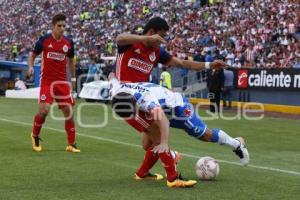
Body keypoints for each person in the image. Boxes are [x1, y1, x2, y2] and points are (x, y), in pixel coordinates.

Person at [114, 16, 227, 183]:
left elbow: (182, 63)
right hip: (126, 100)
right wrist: (146, 38)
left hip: (144, 98)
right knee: (158, 135)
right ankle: (173, 178)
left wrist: (210, 65)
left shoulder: (157, 52)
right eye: (160, 36)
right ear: (151, 33)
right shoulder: (130, 43)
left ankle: (142, 173)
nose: (162, 41)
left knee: (148, 143)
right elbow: (119, 38)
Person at [110, 78, 249, 186]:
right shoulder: (116, 90)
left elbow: (163, 120)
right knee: (147, 144)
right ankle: (149, 170)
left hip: (177, 108)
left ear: (135, 102)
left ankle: (236, 143)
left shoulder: (146, 100)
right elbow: (112, 77)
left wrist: (164, 143)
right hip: (159, 108)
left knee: (203, 135)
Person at [27, 14, 80, 153]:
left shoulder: (69, 43)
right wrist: (31, 67)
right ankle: (35, 135)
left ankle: (71, 144)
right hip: (47, 81)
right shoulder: (44, 40)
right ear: (53, 26)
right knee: (44, 110)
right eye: (59, 26)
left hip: (62, 82)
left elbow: (71, 61)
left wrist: (73, 80)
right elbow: (32, 55)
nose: (62, 28)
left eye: (64, 26)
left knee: (69, 112)